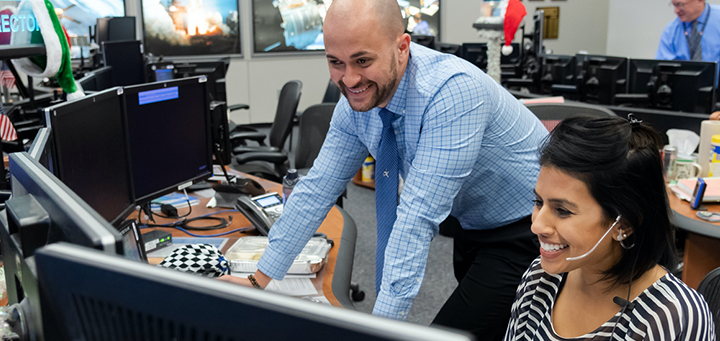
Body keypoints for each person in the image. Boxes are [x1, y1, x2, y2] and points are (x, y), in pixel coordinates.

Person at [220, 0, 547, 339]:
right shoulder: (357, 100)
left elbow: (415, 218)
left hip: (529, 229)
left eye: (362, 60)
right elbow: (316, 189)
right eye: (335, 63)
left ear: (402, 47)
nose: (349, 79)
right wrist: (258, 280)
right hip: (471, 223)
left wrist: (376, 329)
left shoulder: (453, 92)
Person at [503, 115, 716, 340]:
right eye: (539, 202)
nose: (537, 225)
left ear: (623, 224)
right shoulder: (540, 277)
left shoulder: (672, 316)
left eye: (563, 211)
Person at [656, 0, 720, 67]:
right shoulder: (671, 30)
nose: (676, 11)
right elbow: (663, 68)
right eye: (674, 5)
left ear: (700, 1)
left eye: (681, 5)